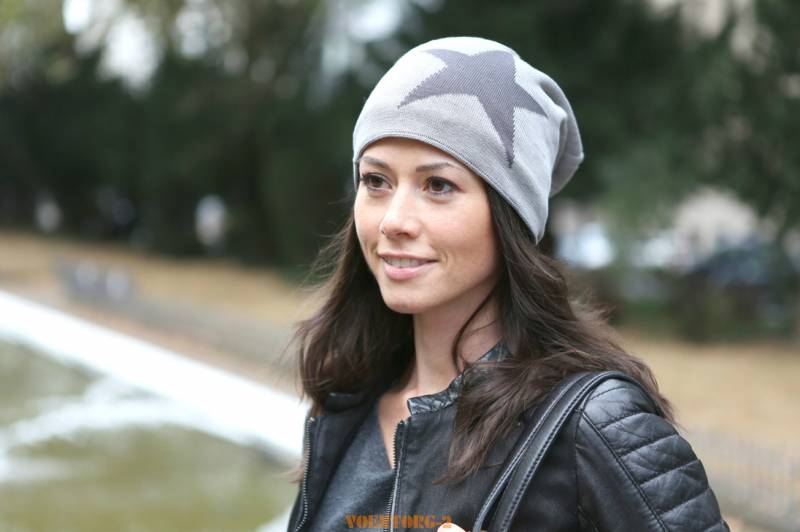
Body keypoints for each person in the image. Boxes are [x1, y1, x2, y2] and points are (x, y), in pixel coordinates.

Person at [285, 36, 729, 531]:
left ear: (509, 215)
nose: (393, 220)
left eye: (438, 185)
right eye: (376, 181)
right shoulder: (346, 402)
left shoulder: (594, 424)